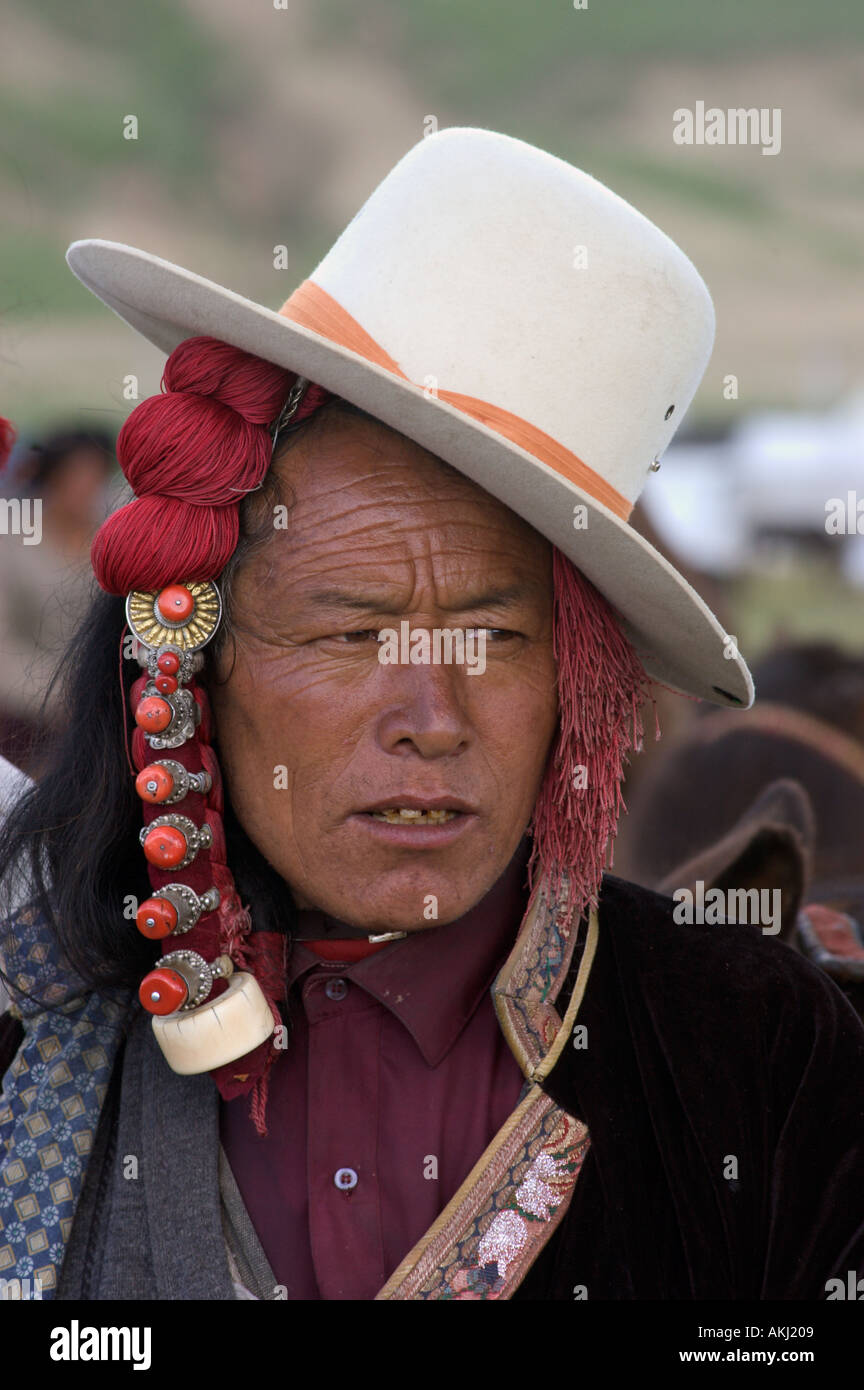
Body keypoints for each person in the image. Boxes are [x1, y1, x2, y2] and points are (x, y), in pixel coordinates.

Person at [1, 128, 862, 1302]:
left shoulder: (760, 1056)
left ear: (581, 689)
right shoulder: (29, 1031)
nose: (432, 717)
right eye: (350, 633)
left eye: (496, 638)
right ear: (197, 654)